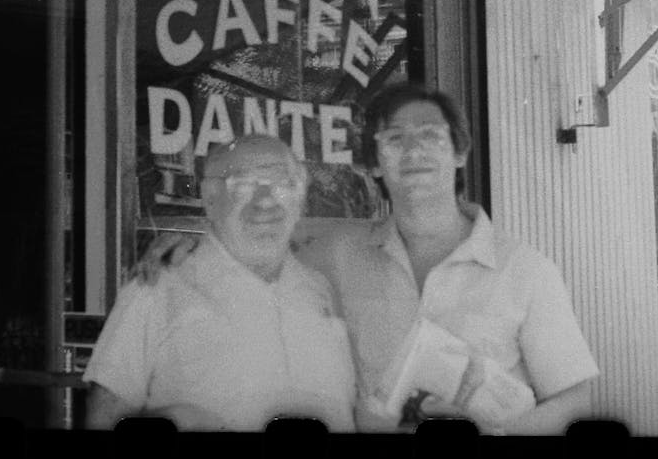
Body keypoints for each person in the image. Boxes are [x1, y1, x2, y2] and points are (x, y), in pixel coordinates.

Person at [141, 82, 599, 435]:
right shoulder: (338, 254)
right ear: (375, 163)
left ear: (459, 153)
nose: (414, 150)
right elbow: (256, 239)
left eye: (431, 137)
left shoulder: (524, 268)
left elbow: (575, 398)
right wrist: (200, 239)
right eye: (395, 139)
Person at [83, 134, 356, 431]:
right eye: (243, 184)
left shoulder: (322, 291)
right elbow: (105, 418)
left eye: (281, 182)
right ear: (210, 200)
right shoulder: (156, 287)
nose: (264, 201)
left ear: (300, 198)